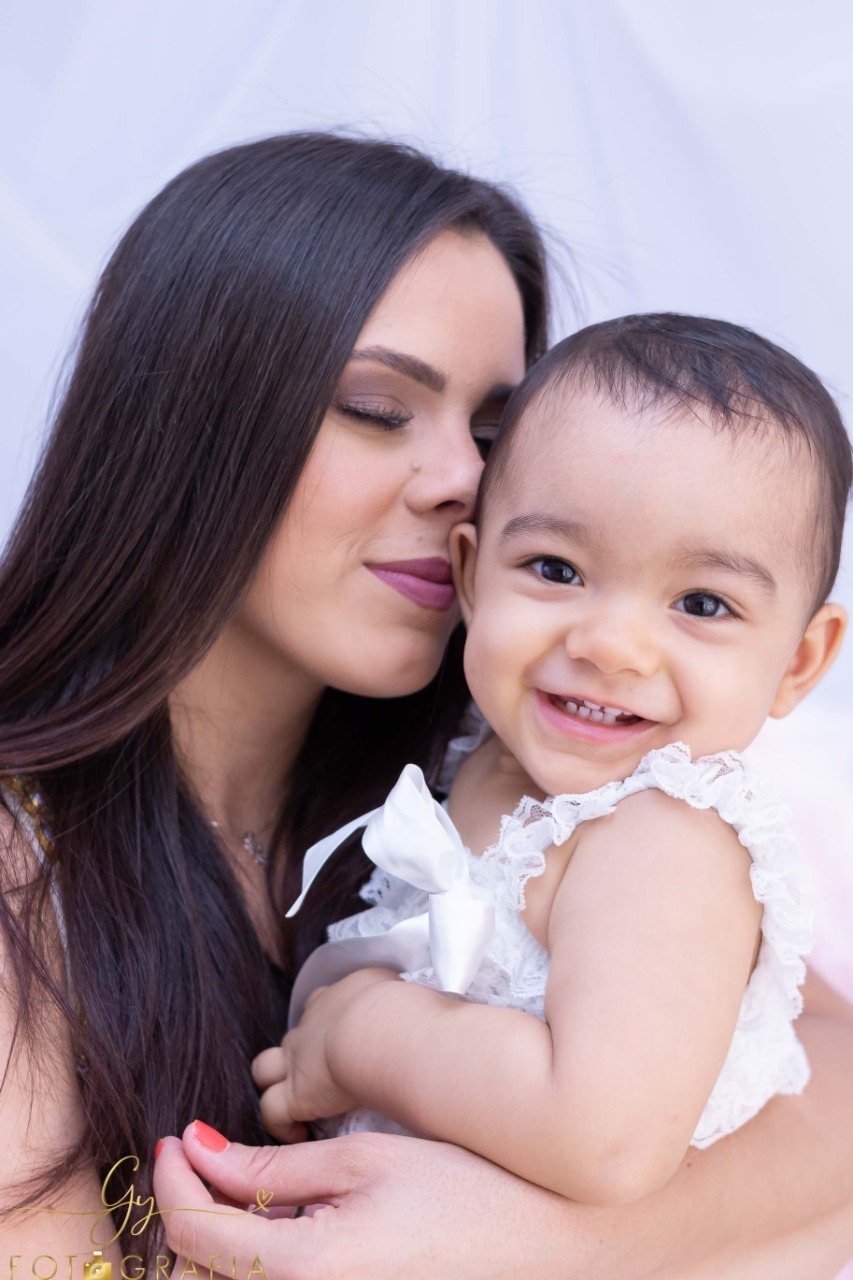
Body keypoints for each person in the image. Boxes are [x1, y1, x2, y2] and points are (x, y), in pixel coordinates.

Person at [0, 135, 850, 1280]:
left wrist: (539, 1235)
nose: (466, 474)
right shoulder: (29, 863)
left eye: (494, 433)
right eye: (375, 406)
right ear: (187, 420)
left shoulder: (548, 773)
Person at [252, 314, 849, 1208]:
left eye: (700, 601)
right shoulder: (475, 756)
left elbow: (599, 1139)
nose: (610, 645)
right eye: (556, 569)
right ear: (469, 573)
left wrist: (363, 1035)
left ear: (797, 662)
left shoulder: (668, 837)